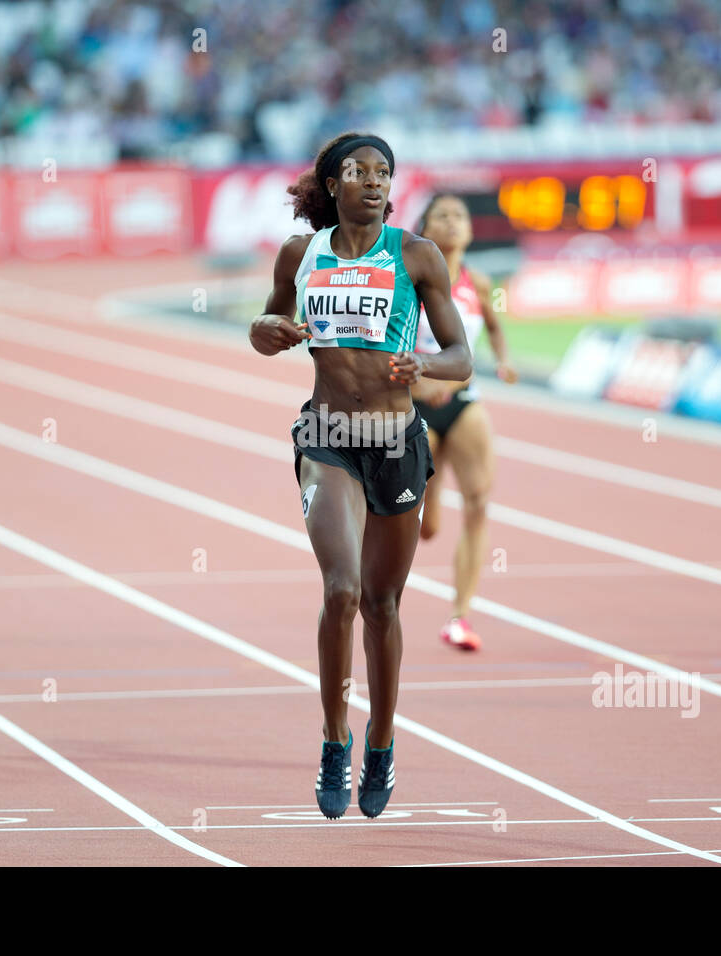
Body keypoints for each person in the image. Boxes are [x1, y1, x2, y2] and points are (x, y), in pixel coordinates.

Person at [249, 133, 472, 818]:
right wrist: (268, 327)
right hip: (328, 438)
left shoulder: (417, 256)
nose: (373, 183)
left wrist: (423, 366)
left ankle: (381, 740)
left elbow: (460, 355)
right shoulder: (302, 255)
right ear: (333, 184)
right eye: (358, 172)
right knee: (341, 589)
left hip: (397, 440)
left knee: (382, 604)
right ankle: (334, 738)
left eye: (384, 173)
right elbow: (266, 327)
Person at [410, 193, 518, 651]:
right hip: (416, 405)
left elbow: (492, 324)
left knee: (478, 501)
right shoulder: (408, 280)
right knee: (425, 524)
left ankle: (460, 616)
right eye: (442, 216)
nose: (453, 223)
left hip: (465, 401)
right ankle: (427, 500)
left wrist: (504, 360)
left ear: (471, 231)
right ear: (426, 227)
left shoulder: (479, 280)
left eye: (460, 217)